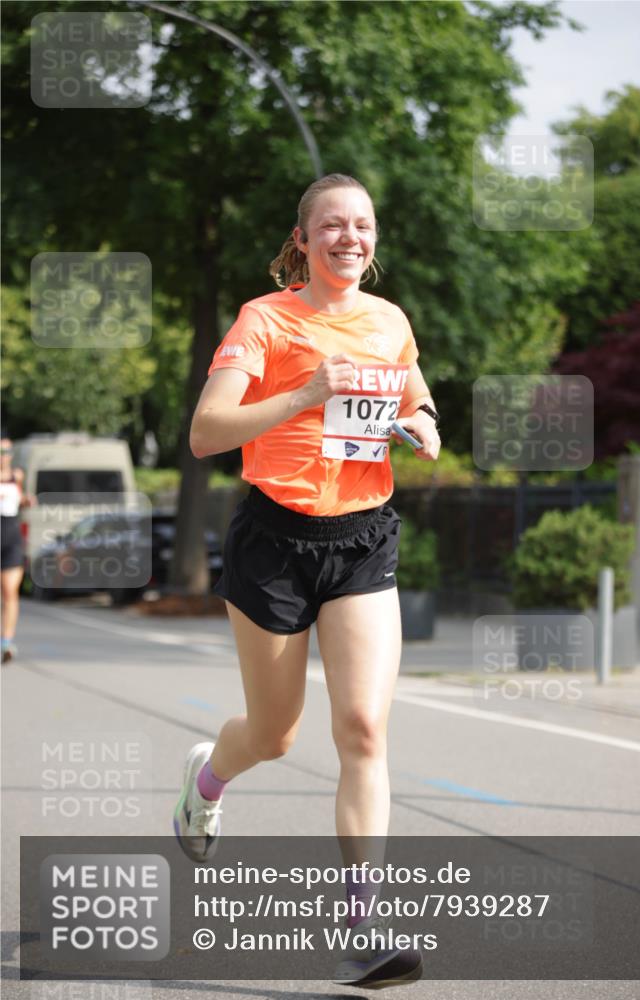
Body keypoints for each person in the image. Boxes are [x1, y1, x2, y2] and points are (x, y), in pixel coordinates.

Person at [174, 174, 441, 987]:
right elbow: (205, 432)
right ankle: (207, 779)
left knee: (362, 729)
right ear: (303, 240)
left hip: (362, 537)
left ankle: (362, 928)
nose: (348, 237)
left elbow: (421, 404)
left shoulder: (389, 322)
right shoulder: (265, 319)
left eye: (361, 225)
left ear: (373, 239)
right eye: (331, 225)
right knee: (275, 733)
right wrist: (306, 391)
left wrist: (420, 429)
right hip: (275, 540)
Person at [1, 437, 35, 663]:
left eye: (7, 451)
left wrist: (26, 501)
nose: (4, 455)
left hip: (11, 536)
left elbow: (18, 500)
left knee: (10, 592)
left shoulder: (18, 477)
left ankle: (6, 642)